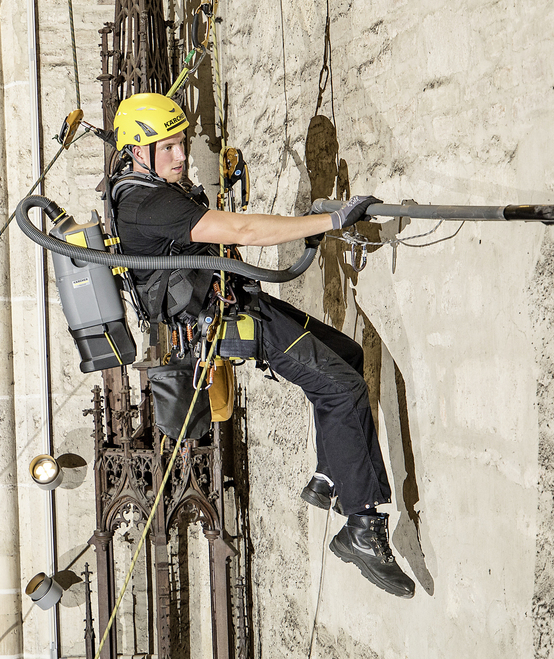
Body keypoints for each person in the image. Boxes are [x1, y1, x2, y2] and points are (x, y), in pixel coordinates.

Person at [106, 92, 415, 599]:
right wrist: (329, 222)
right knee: (342, 388)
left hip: (232, 296)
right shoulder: (148, 202)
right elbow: (245, 230)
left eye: (183, 143)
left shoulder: (139, 184)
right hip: (225, 316)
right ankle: (362, 528)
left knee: (346, 357)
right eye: (170, 147)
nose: (182, 156)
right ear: (139, 151)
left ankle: (331, 476)